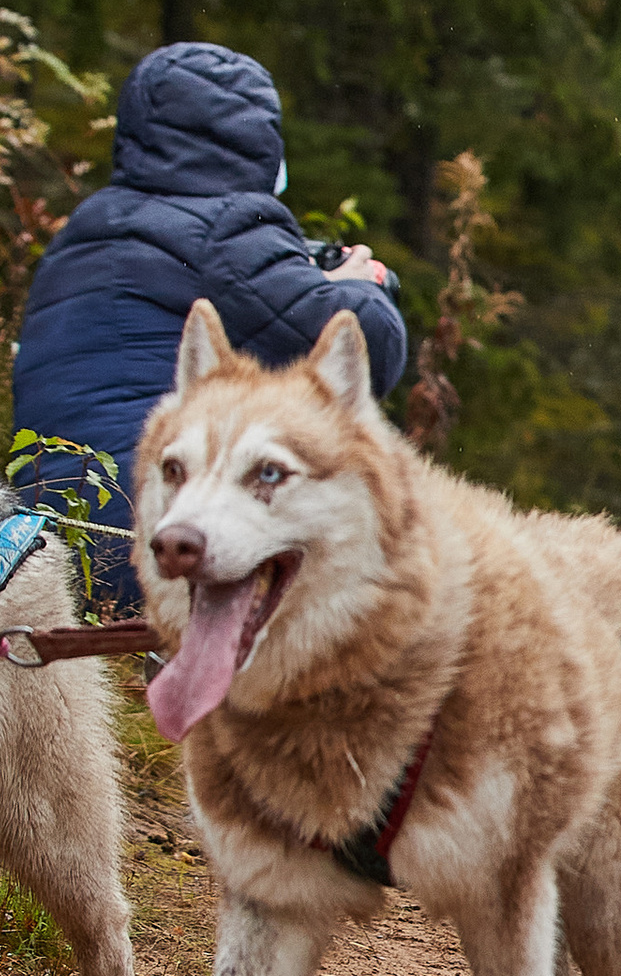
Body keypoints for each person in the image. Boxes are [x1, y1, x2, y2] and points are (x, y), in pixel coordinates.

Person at [13, 41, 406, 609]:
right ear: (257, 139)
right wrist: (359, 285)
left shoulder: (87, 227)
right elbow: (368, 347)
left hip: (55, 535)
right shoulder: (228, 225)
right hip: (161, 525)